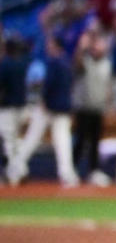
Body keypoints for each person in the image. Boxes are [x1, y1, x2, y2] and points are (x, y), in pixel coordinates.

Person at [14, 35, 79, 187]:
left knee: (33, 138)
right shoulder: (67, 62)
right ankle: (67, 175)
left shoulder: (54, 61)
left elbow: (49, 84)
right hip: (62, 107)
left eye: (51, 43)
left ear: (56, 45)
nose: (48, 46)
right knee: (62, 142)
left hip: (49, 107)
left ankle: (15, 169)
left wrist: (44, 100)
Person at [73, 27, 113, 185]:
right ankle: (73, 169)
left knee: (96, 141)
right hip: (83, 108)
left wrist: (109, 104)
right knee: (81, 141)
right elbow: (77, 63)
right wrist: (81, 48)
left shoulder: (106, 63)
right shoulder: (86, 61)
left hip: (98, 108)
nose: (98, 49)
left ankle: (94, 171)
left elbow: (108, 86)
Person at [0, 36, 31, 184]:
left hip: (7, 108)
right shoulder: (23, 63)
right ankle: (22, 170)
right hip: (22, 107)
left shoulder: (5, 64)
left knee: (9, 141)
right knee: (17, 140)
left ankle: (13, 174)